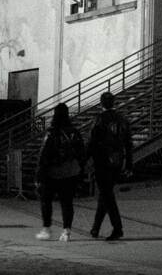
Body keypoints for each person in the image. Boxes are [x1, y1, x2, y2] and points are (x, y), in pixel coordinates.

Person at [35, 102, 87, 242]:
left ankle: (46, 229)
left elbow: (44, 154)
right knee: (67, 202)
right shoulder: (74, 132)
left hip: (53, 171)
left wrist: (39, 174)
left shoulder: (52, 132)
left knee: (46, 200)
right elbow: (82, 152)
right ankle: (66, 231)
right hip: (71, 171)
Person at [86, 91, 133, 240]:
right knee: (105, 194)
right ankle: (95, 228)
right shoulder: (122, 119)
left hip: (102, 161)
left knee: (107, 195)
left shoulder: (99, 120)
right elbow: (128, 144)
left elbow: (92, 142)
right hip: (117, 161)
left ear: (101, 103)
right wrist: (129, 164)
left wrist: (84, 160)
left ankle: (117, 228)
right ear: (114, 103)